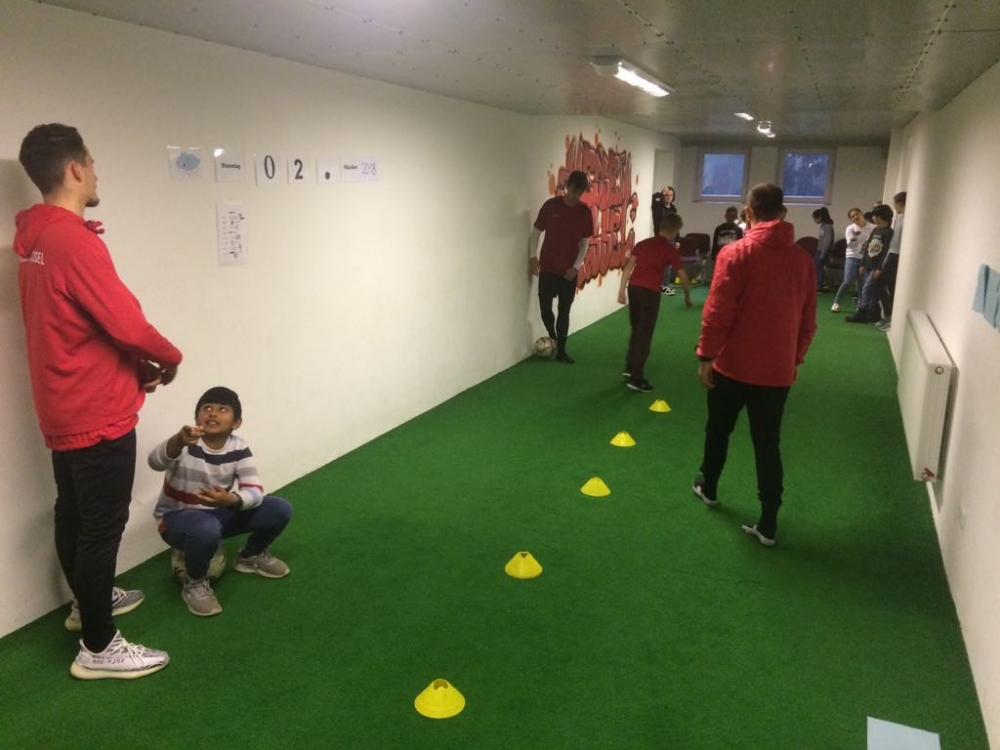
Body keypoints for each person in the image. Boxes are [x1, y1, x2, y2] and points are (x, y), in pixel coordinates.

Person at [13, 123, 182, 679]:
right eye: (92, 163)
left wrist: (135, 366)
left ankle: (86, 604)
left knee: (74, 510)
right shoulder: (71, 241)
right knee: (101, 525)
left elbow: (79, 324)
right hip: (95, 412)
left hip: (62, 403)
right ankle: (99, 646)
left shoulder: (37, 238)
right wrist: (169, 357)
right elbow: (127, 324)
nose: (96, 173)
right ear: (75, 169)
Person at [692, 183, 817, 546]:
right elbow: (808, 321)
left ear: (748, 212)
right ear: (783, 213)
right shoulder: (803, 261)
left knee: (718, 429)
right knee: (767, 444)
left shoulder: (735, 254)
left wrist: (706, 356)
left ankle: (709, 486)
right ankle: (768, 522)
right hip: (776, 374)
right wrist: (793, 358)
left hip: (731, 368)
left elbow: (717, 312)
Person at [149, 387, 292, 616]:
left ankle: (250, 556)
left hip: (218, 513)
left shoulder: (239, 447)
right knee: (206, 527)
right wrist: (177, 441)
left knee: (279, 509)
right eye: (206, 408)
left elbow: (254, 490)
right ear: (197, 417)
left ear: (236, 422)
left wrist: (231, 499)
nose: (213, 413)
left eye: (222, 409)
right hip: (175, 518)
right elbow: (154, 462)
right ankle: (195, 583)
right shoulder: (184, 443)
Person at [617, 213, 691, 392]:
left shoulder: (643, 244)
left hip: (634, 288)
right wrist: (687, 296)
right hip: (650, 292)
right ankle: (636, 378)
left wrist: (621, 291)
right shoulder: (669, 249)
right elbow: (682, 276)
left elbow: (628, 267)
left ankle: (630, 367)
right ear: (674, 230)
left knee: (636, 329)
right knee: (645, 334)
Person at [529, 170, 594, 363]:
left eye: (579, 193)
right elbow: (536, 233)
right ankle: (553, 337)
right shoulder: (551, 206)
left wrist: (576, 267)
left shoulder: (584, 212)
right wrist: (533, 256)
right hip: (548, 268)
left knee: (564, 311)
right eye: (573, 191)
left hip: (569, 272)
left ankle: (562, 351)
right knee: (545, 309)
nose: (575, 196)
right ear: (567, 186)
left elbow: (585, 243)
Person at [846, 204, 893, 323]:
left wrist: (879, 268)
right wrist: (862, 263)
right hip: (868, 264)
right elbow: (867, 247)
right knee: (870, 289)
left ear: (881, 217)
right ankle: (873, 312)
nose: (873, 218)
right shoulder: (876, 230)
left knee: (867, 288)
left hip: (876, 266)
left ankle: (862, 312)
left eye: (875, 216)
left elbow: (886, 252)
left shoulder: (888, 232)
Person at [831, 207, 873, 313]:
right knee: (847, 281)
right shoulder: (850, 228)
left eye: (857, 214)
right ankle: (836, 302)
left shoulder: (872, 227)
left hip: (865, 259)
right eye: (852, 217)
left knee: (862, 283)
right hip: (852, 257)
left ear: (861, 214)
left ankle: (860, 306)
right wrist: (855, 236)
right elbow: (850, 245)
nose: (855, 217)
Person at [875, 191, 906, 332]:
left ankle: (889, 316)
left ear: (900, 203)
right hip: (892, 252)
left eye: (895, 204)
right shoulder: (900, 217)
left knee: (881, 284)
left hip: (896, 254)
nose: (895, 207)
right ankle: (889, 316)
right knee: (888, 286)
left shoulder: (906, 219)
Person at [708, 206, 743, 283]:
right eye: (729, 216)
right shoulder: (719, 228)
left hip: (732, 257)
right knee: (720, 277)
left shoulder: (738, 230)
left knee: (731, 278)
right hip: (720, 256)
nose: (730, 218)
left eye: (733, 216)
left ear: (735, 217)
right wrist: (713, 258)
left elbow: (740, 246)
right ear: (725, 216)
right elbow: (715, 243)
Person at [812, 207, 835, 291]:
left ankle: (819, 287)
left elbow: (828, 240)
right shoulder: (823, 226)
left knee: (819, 269)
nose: (815, 220)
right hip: (819, 250)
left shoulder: (828, 226)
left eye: (815, 218)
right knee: (816, 267)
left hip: (823, 251)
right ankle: (819, 284)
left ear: (820, 217)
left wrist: (823, 253)